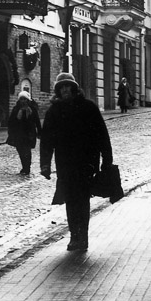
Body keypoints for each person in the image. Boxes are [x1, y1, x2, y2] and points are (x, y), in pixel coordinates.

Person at [40, 72, 113, 251]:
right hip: (65, 163)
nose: (65, 90)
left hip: (86, 161)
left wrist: (107, 159)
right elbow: (47, 140)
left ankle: (83, 236)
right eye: (62, 87)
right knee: (71, 199)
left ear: (74, 88)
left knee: (82, 199)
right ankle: (74, 235)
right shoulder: (54, 111)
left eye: (68, 86)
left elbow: (101, 135)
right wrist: (45, 164)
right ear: (58, 90)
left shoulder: (88, 107)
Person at [7, 91, 41, 176]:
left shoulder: (32, 109)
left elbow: (37, 121)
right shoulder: (16, 109)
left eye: (25, 99)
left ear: (28, 100)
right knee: (20, 151)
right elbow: (11, 121)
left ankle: (27, 168)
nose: (23, 101)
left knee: (27, 151)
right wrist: (11, 132)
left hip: (29, 133)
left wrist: (40, 132)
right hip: (19, 133)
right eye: (21, 99)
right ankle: (24, 167)